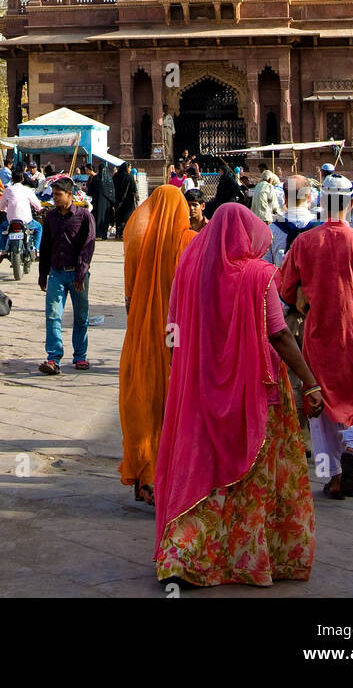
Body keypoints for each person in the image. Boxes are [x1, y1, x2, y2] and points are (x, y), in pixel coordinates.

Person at [154, 203, 320, 588]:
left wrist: (177, 365)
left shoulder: (189, 269)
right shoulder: (260, 275)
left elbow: (172, 326)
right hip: (255, 389)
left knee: (203, 468)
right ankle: (248, 557)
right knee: (251, 473)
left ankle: (184, 552)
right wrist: (310, 381)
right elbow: (279, 334)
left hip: (199, 384)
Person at [278, 175, 353, 499]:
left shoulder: (304, 243)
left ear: (321, 203)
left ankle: (333, 477)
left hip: (318, 337)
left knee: (322, 407)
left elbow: (286, 289)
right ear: (352, 204)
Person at [118, 186, 196, 505]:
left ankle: (144, 475)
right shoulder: (189, 242)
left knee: (142, 396)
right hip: (177, 332)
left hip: (142, 329)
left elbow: (128, 297)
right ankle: (169, 475)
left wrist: (140, 318)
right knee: (173, 397)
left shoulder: (137, 239)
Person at [38, 176, 95, 375]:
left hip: (78, 275)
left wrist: (81, 273)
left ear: (69, 195)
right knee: (53, 316)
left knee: (81, 317)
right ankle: (53, 357)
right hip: (56, 273)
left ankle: (80, 356)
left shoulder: (84, 216)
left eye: (58, 195)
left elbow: (88, 247)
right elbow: (45, 247)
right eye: (53, 194)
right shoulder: (51, 217)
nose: (54, 198)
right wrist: (42, 273)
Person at [0, 168, 44, 260]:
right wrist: (40, 209)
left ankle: (3, 251)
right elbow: (37, 205)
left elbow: (1, 206)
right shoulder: (28, 190)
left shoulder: (7, 190)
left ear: (11, 179)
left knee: (3, 228)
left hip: (11, 221)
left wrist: (3, 209)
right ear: (23, 179)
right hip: (26, 221)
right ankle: (36, 249)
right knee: (38, 228)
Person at [268, 184, 318, 266]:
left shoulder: (272, 230)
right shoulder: (320, 227)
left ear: (284, 198)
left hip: (281, 277)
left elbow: (266, 266)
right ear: (309, 197)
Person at [86, 161, 115, 241]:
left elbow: (91, 190)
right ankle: (104, 234)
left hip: (97, 202)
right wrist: (112, 202)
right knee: (105, 218)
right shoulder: (109, 180)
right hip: (107, 203)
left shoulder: (96, 178)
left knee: (97, 217)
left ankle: (98, 233)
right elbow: (112, 192)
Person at [113, 162, 138, 240]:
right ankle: (126, 234)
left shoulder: (115, 176)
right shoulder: (130, 177)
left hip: (118, 201)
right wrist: (137, 199)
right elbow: (134, 190)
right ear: (126, 168)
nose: (130, 169)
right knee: (128, 217)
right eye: (129, 168)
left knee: (119, 217)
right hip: (128, 201)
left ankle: (119, 234)